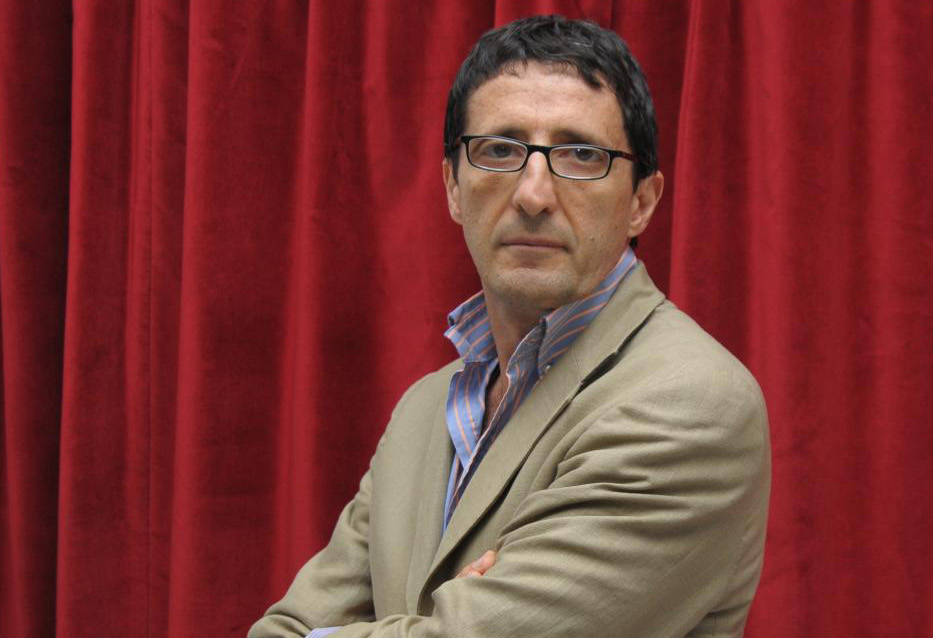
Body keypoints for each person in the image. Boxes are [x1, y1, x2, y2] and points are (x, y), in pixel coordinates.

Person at [249, 15, 770, 638]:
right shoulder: (424, 410)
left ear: (642, 202)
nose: (533, 194)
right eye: (499, 150)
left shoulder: (691, 401)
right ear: (453, 186)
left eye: (582, 154)